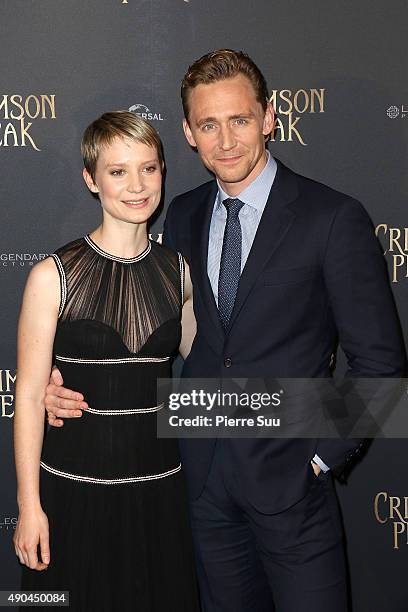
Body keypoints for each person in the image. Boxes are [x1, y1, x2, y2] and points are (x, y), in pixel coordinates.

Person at [44, 50, 407, 612]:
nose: (227, 140)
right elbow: (159, 335)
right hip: (202, 484)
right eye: (209, 125)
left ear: (268, 117)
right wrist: (59, 382)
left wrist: (318, 459)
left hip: (294, 489)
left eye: (240, 120)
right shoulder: (182, 215)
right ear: (189, 133)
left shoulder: (331, 217)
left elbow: (381, 365)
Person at [13, 111, 200, 611]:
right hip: (74, 495)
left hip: (160, 497)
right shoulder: (53, 275)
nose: (136, 185)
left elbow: (213, 362)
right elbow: (30, 397)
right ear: (91, 179)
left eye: (149, 168)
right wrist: (29, 508)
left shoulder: (178, 270)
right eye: (118, 171)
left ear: (163, 171)